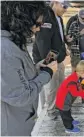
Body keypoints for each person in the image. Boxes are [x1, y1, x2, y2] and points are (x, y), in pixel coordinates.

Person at [1, 1, 58, 136]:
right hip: (13, 130)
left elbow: (17, 75)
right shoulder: (6, 51)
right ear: (21, 20)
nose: (38, 29)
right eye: (37, 24)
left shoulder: (13, 42)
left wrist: (37, 68)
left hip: (21, 124)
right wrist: (47, 73)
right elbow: (21, 96)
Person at [32, 0, 71, 119]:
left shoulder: (58, 17)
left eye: (67, 7)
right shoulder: (47, 17)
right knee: (52, 87)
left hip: (58, 58)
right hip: (49, 60)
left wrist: (65, 41)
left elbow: (57, 35)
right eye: (64, 6)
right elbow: (43, 42)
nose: (66, 9)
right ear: (55, 3)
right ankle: (51, 111)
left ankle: (57, 106)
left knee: (60, 84)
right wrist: (49, 63)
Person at [55, 60, 84, 133]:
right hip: (62, 102)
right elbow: (75, 93)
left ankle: (71, 120)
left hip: (66, 101)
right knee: (65, 115)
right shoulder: (72, 81)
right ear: (82, 72)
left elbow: (79, 88)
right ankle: (69, 128)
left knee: (68, 112)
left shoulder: (76, 77)